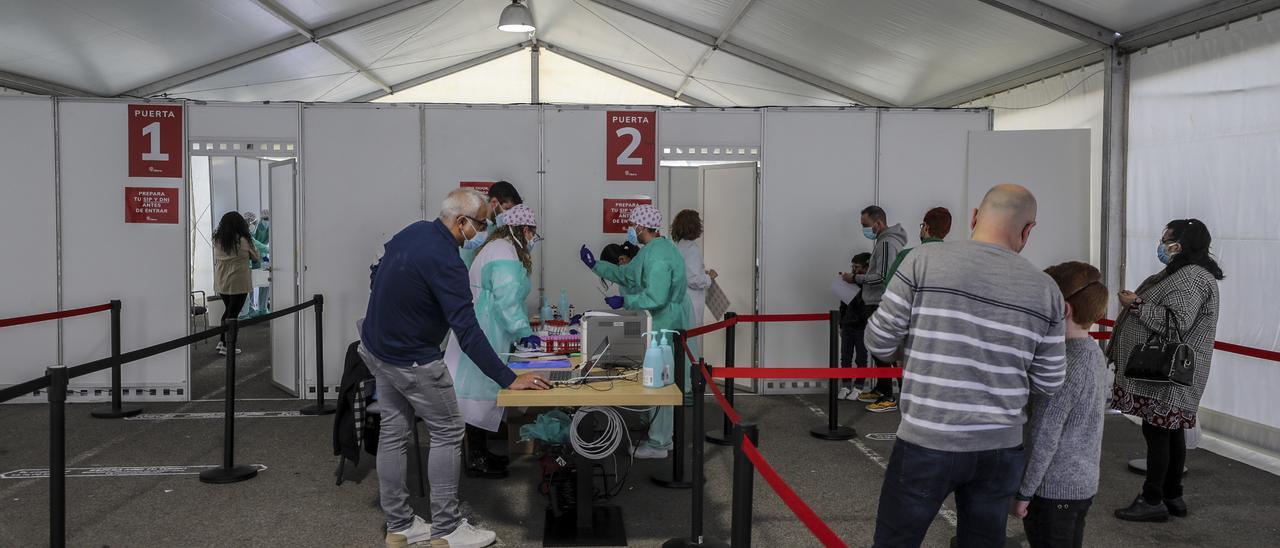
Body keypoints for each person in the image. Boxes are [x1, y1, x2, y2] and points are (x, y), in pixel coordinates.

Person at [865, 184, 1066, 548]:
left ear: (974, 217)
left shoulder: (922, 262)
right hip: (1000, 448)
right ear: (1028, 230)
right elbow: (1049, 381)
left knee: (895, 541)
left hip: (927, 438)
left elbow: (878, 341)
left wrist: (914, 351)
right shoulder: (1045, 290)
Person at [360, 189, 548, 548]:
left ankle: (399, 525)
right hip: (413, 359)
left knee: (393, 433)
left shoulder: (413, 231)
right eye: (478, 224)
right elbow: (469, 332)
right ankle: (446, 529)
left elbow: (376, 274)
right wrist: (509, 379)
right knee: (448, 431)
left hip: (376, 349)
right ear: (460, 222)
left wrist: (406, 310)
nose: (480, 232)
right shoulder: (447, 261)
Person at [1109, 219, 1222, 523]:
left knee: (1158, 431)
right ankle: (1173, 495)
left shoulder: (1191, 278)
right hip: (1172, 374)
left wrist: (1136, 305)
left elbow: (1177, 322)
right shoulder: (1188, 273)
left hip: (1169, 373)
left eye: (1166, 240)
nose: (1161, 245)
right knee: (1169, 433)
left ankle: (1152, 498)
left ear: (1180, 244)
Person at [580, 205, 689, 459]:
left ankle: (659, 444)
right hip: (661, 324)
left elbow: (656, 296)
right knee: (661, 380)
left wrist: (625, 303)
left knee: (660, 383)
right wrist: (595, 266)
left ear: (641, 226)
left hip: (664, 325)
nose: (631, 230)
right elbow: (627, 274)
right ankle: (664, 436)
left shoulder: (659, 256)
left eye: (632, 226)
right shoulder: (654, 250)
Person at [1013, 261, 1110, 548]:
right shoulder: (1093, 352)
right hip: (1081, 484)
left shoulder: (1062, 364)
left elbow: (1044, 435)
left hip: (1052, 491)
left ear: (1063, 309)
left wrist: (1024, 492)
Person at [443, 204, 543, 479]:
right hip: (484, 329)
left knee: (481, 393)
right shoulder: (503, 251)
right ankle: (476, 460)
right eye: (532, 232)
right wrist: (523, 331)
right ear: (524, 229)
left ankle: (479, 454)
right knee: (478, 392)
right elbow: (507, 299)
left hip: (485, 326)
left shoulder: (498, 247)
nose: (532, 238)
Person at [847, 205, 907, 411]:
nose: (865, 229)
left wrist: (855, 278)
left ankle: (889, 396)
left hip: (879, 303)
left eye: (866, 225)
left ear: (878, 223)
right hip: (876, 302)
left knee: (882, 350)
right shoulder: (885, 242)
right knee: (877, 349)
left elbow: (882, 276)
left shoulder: (886, 243)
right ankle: (882, 389)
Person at [212, 211, 260, 356]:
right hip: (238, 282)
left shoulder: (217, 239)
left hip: (222, 281)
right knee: (233, 315)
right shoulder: (243, 240)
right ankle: (228, 345)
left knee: (228, 311)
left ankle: (222, 341)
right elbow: (256, 257)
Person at [671, 210, 717, 352]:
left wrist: (702, 273)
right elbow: (693, 280)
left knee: (681, 342)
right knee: (691, 343)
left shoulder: (678, 246)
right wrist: (709, 277)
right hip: (691, 301)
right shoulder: (692, 249)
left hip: (679, 300)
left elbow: (685, 273)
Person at [460, 181, 522, 269]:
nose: (510, 216)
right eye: (507, 209)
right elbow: (465, 262)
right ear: (494, 202)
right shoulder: (473, 227)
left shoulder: (497, 228)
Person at [885, 206, 951, 284]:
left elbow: (889, 288)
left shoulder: (907, 256)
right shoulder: (953, 261)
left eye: (922, 225)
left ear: (926, 227)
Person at [838, 253, 872, 400]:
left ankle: (859, 387)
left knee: (861, 358)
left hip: (863, 326)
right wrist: (841, 324)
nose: (854, 269)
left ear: (866, 267)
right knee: (845, 357)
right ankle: (845, 385)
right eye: (852, 266)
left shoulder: (870, 283)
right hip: (847, 325)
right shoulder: (848, 282)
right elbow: (843, 305)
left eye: (857, 267)